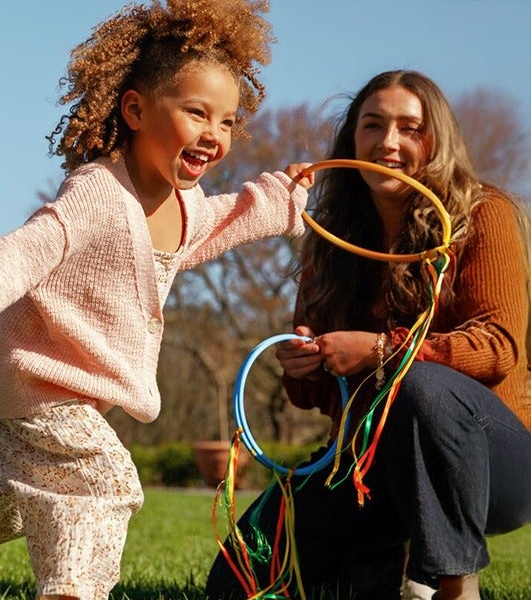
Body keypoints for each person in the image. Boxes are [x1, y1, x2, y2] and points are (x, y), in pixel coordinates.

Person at [0, 1, 315, 599]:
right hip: (33, 376)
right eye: (196, 112)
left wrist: (282, 198)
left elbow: (224, 219)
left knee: (23, 499)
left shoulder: (183, 205)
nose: (214, 135)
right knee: (105, 483)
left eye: (228, 121)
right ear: (135, 109)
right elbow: (15, 255)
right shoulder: (97, 195)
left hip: (75, 387)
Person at [205, 70, 531, 600]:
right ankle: (390, 566)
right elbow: (316, 396)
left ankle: (455, 583)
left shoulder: (483, 213)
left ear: (438, 139)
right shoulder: (330, 237)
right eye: (373, 125)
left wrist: (379, 351)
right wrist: (306, 367)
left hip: (496, 464)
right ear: (352, 139)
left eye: (410, 128)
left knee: (419, 386)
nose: (389, 142)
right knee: (235, 580)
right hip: (367, 465)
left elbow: (498, 348)